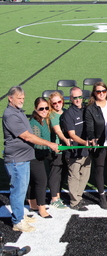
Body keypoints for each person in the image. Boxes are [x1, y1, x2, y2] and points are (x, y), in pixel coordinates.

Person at [3, 86, 58, 232]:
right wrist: (49, 144)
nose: (21, 100)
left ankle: (20, 214)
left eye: (23, 98)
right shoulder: (10, 115)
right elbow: (27, 136)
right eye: (18, 98)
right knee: (18, 190)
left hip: (24, 157)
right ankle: (18, 221)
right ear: (10, 98)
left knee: (23, 187)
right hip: (16, 159)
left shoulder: (18, 112)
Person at [85, 82, 107, 210]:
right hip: (100, 145)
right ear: (94, 93)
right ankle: (102, 196)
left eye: (103, 91)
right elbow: (89, 127)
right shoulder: (90, 109)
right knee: (99, 169)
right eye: (98, 91)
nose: (101, 93)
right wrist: (93, 138)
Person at [60, 87, 91, 211]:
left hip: (85, 150)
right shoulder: (68, 114)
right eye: (75, 97)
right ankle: (74, 202)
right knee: (74, 176)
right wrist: (85, 143)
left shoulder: (85, 110)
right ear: (70, 98)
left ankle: (78, 196)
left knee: (85, 174)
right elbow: (72, 135)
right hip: (74, 151)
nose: (78, 99)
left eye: (79, 97)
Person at [27, 97, 53, 219]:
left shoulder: (43, 120)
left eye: (46, 108)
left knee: (34, 181)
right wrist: (51, 147)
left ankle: (33, 204)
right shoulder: (34, 123)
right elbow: (36, 143)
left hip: (39, 156)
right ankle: (42, 208)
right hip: (34, 156)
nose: (44, 110)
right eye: (41, 108)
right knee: (42, 181)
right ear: (35, 109)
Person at [47, 91, 70, 209]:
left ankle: (58, 195)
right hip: (57, 147)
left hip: (66, 147)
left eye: (59, 102)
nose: (57, 105)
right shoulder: (52, 115)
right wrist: (65, 140)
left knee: (63, 172)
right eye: (54, 103)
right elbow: (58, 131)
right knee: (55, 173)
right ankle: (54, 198)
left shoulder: (65, 111)